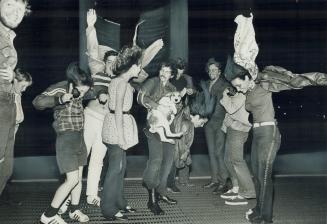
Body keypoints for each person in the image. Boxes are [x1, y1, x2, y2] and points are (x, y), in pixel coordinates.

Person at [224, 55, 327, 224]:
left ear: (248, 77)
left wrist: (320, 79)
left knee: (264, 175)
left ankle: (266, 218)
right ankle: (259, 209)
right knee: (257, 175)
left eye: (239, 84)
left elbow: (296, 81)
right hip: (256, 133)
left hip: (269, 133)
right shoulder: (248, 91)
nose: (239, 89)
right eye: (235, 86)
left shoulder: (264, 83)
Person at [33, 62, 93, 224]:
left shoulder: (83, 88)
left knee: (79, 179)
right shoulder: (61, 87)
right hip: (65, 139)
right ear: (72, 83)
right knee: (72, 180)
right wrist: (59, 99)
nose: (81, 95)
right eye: (80, 91)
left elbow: (96, 90)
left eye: (85, 92)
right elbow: (37, 102)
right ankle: (48, 216)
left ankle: (74, 210)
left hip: (79, 138)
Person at [100, 45, 142, 221]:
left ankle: (120, 202)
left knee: (121, 167)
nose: (140, 68)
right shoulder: (122, 83)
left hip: (114, 124)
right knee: (115, 169)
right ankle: (108, 209)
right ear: (131, 66)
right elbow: (117, 110)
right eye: (138, 65)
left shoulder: (119, 81)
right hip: (117, 127)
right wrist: (122, 137)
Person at [137, 61, 178, 215]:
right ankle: (152, 199)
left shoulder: (173, 89)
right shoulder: (152, 82)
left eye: (167, 71)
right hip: (153, 127)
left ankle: (160, 192)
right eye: (162, 69)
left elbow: (175, 108)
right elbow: (140, 98)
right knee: (156, 160)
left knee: (168, 162)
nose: (163, 73)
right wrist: (157, 106)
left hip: (168, 128)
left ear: (172, 75)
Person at [0, 0, 31, 200]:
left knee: (5, 169)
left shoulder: (8, 36)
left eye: (21, 9)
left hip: (7, 102)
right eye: (10, 4)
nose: (16, 13)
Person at [219, 87, 256, 206]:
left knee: (237, 160)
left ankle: (248, 191)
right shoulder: (239, 93)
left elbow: (230, 108)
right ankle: (236, 187)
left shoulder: (242, 94)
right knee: (228, 160)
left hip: (239, 130)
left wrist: (225, 94)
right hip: (233, 128)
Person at [202, 58, 230, 195]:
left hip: (220, 122)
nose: (212, 72)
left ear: (219, 72)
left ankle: (223, 182)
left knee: (219, 152)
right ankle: (214, 179)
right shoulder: (206, 84)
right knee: (211, 152)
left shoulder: (225, 85)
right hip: (208, 123)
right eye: (210, 70)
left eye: (215, 70)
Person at [167, 58, 195, 193]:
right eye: (178, 67)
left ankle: (184, 179)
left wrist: (191, 92)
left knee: (186, 143)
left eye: (182, 67)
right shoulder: (169, 78)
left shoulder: (187, 78)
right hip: (171, 114)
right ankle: (169, 181)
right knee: (172, 146)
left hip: (184, 113)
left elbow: (193, 92)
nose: (180, 70)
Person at [13, 68, 32, 134]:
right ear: (15, 81)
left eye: (26, 87)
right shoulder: (8, 95)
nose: (24, 89)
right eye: (23, 86)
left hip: (14, 128)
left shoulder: (18, 95)